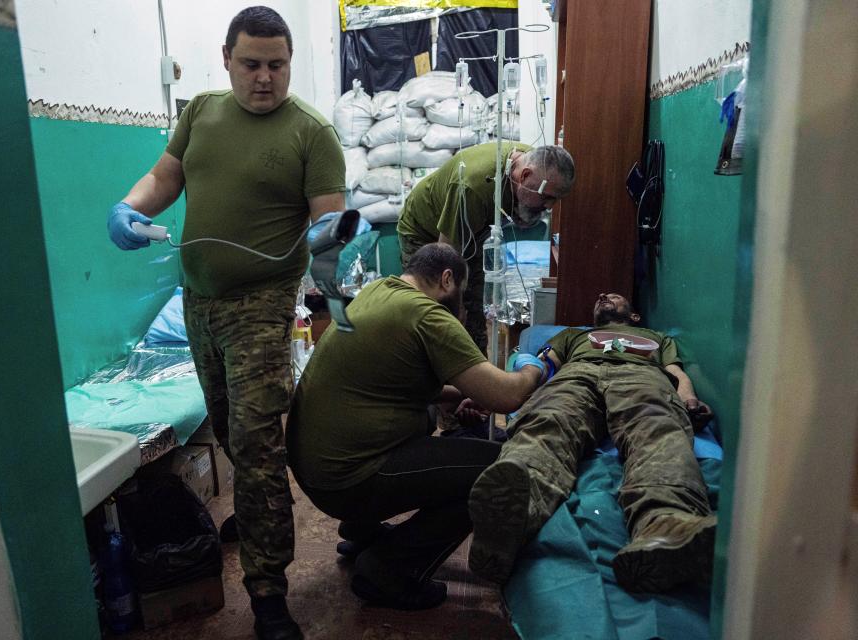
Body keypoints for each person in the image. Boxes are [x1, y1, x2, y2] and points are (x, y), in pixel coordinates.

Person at [106, 7, 345, 639]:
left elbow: (329, 217)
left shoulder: (312, 133)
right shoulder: (201, 112)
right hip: (198, 298)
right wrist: (128, 207)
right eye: (252, 64)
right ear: (226, 58)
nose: (264, 78)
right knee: (226, 421)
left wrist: (329, 235)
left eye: (277, 65)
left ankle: (268, 591)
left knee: (257, 436)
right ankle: (254, 513)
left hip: (262, 302)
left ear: (289, 64)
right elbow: (166, 176)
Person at [286, 243, 551, 610]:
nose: (462, 307)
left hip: (316, 467)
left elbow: (393, 382)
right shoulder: (428, 316)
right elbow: (507, 396)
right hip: (347, 479)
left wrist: (462, 393)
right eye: (461, 295)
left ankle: (362, 531)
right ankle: (387, 571)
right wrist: (537, 364)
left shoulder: (379, 290)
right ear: (447, 279)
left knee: (428, 419)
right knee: (501, 470)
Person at [468, 293, 717, 592]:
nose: (602, 296)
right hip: (577, 374)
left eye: (613, 296)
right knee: (549, 420)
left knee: (657, 428)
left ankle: (666, 524)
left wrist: (689, 400)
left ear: (634, 316)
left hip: (641, 375)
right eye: (599, 297)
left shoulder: (656, 338)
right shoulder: (572, 335)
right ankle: (513, 512)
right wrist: (508, 385)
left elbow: (676, 374)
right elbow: (543, 366)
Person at [396, 142, 575, 354]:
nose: (549, 206)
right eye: (546, 197)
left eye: (556, 199)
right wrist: (455, 305)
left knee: (474, 308)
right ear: (525, 176)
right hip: (424, 232)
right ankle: (430, 373)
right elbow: (443, 259)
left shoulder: (537, 161)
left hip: (473, 233)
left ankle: (474, 369)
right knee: (434, 307)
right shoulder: (474, 186)